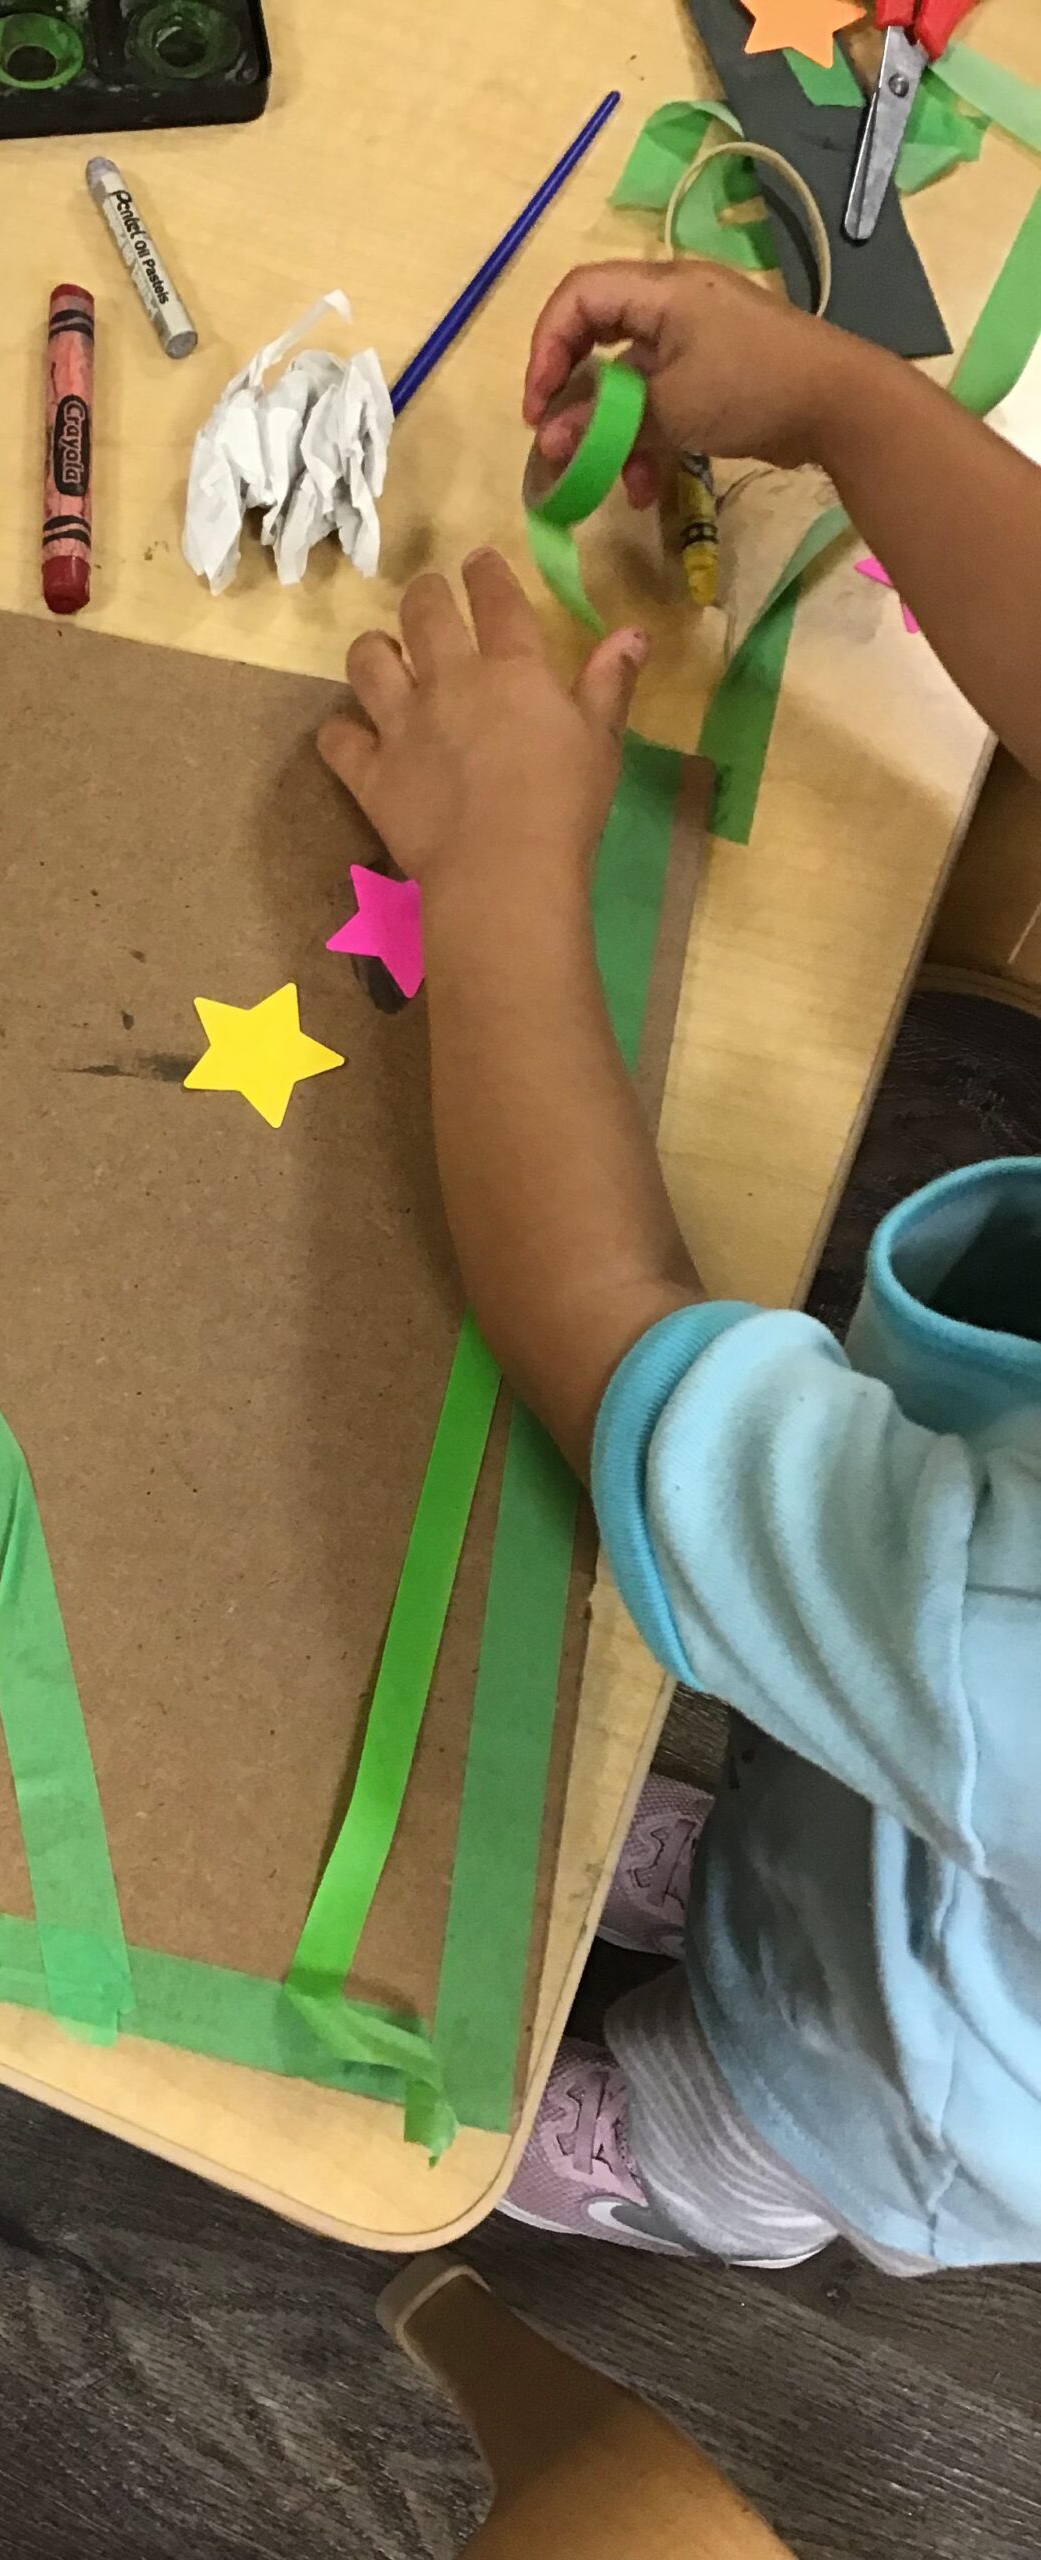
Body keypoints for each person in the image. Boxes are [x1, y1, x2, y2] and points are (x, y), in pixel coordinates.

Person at [317, 259, 1041, 2274]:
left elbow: (628, 1372)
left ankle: (725, 2143)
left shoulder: (1016, 1633)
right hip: (947, 1746)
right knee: (847, 1761)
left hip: (923, 2058)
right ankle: (764, 1858)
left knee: (804, 2038)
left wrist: (501, 865)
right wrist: (852, 406)